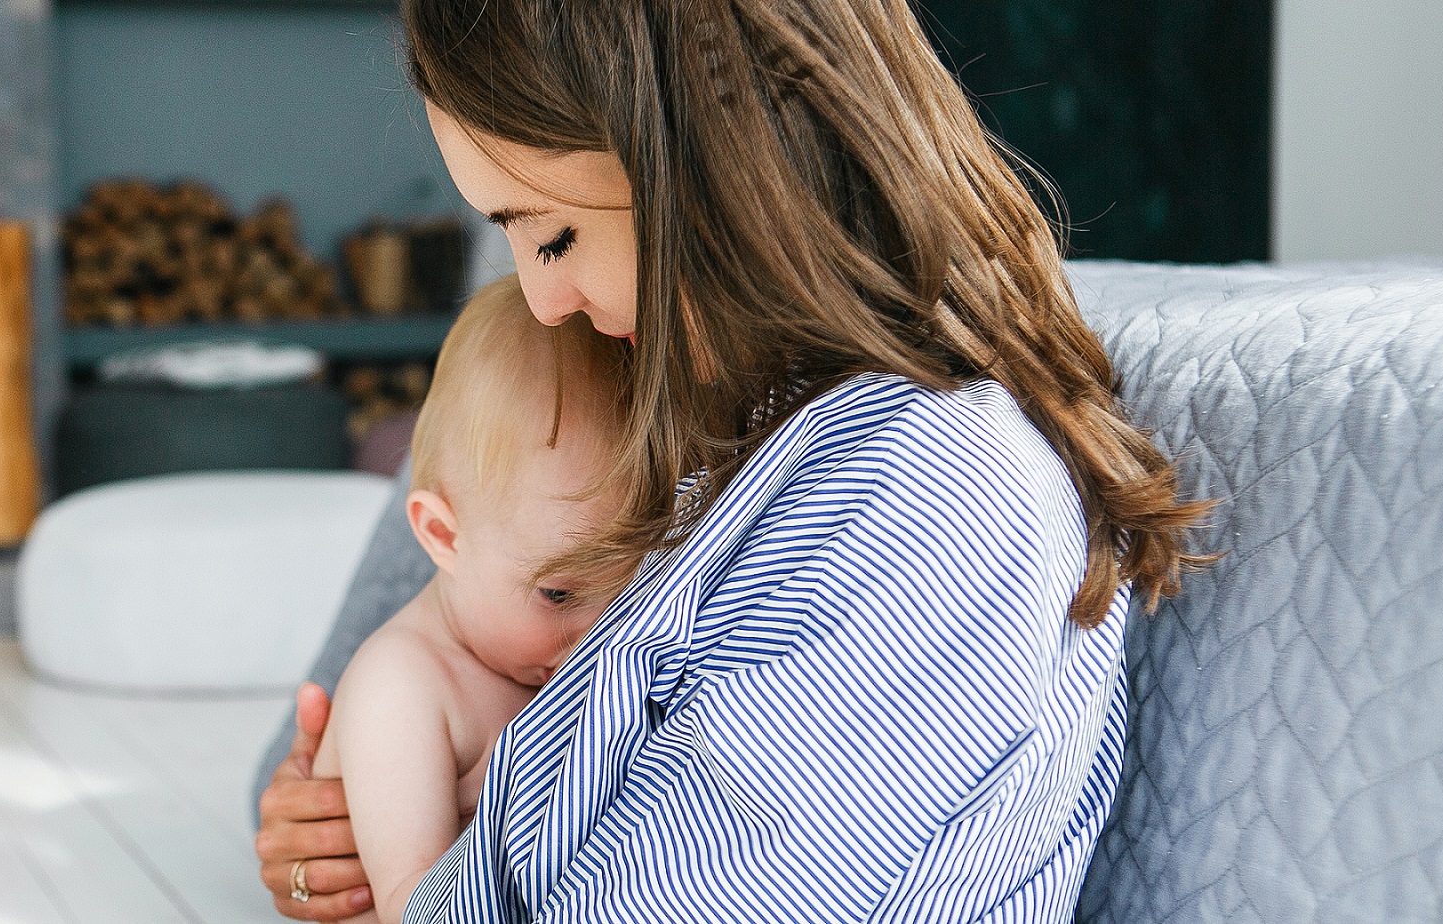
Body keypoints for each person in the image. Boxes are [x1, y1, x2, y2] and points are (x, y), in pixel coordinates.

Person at [256, 0, 1211, 920]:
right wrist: (342, 841)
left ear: (713, 167)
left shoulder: (931, 490)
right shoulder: (718, 427)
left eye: (554, 236)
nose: (544, 308)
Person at [306, 276, 631, 924]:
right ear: (441, 535)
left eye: (627, 591)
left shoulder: (535, 649)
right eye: (560, 592)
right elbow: (411, 905)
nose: (597, 634)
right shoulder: (402, 685)